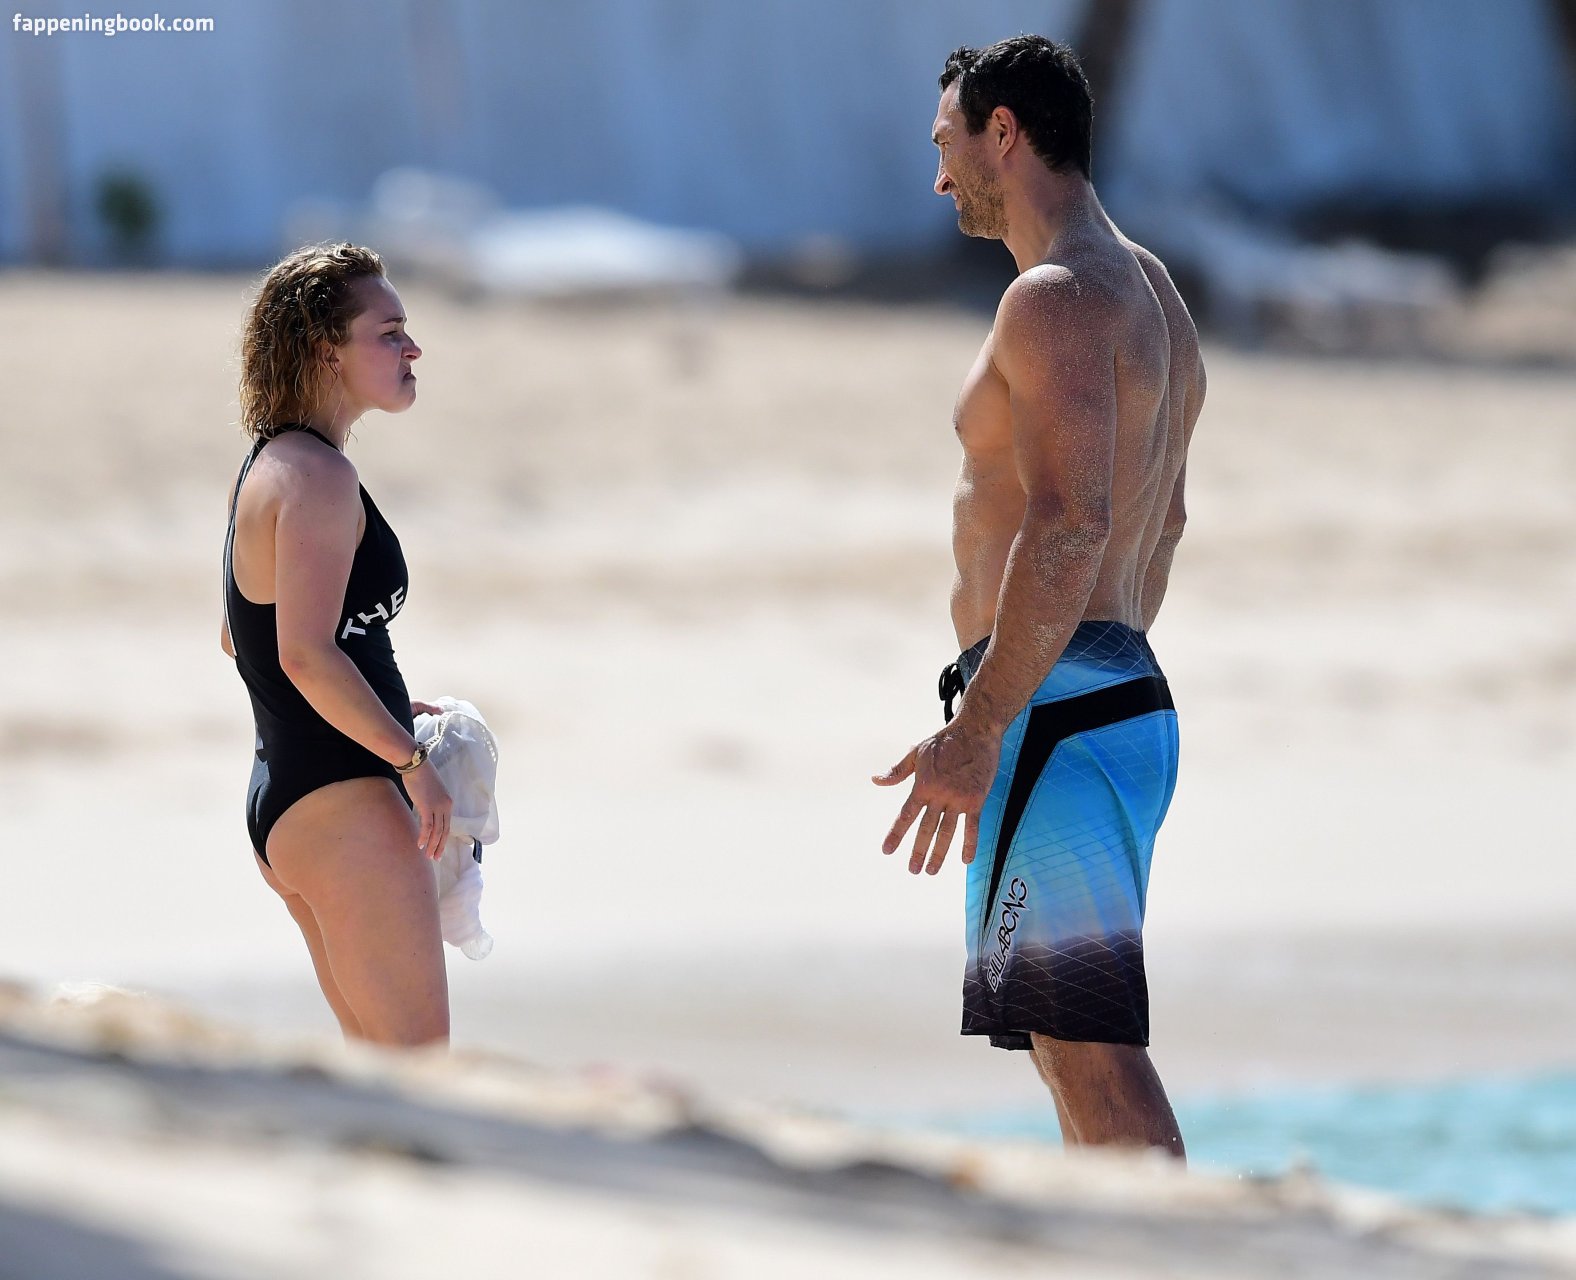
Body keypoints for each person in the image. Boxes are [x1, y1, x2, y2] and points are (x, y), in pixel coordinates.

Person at [874, 36, 1204, 1157]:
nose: (939, 179)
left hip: (1052, 710)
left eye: (947, 144)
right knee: (1064, 1037)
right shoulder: (1151, 292)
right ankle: (1124, 1236)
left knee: (1083, 1041)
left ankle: (1175, 1239)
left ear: (1003, 133)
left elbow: (1072, 523)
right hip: (1100, 696)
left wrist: (983, 726)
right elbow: (1163, 521)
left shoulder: (1053, 299)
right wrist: (1084, 682)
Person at [221, 243, 451, 1047]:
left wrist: (381, 701)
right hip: (345, 804)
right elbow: (304, 655)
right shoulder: (319, 479)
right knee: (421, 1075)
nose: (412, 349)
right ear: (327, 352)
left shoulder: (274, 463)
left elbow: (240, 637)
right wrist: (410, 762)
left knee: (377, 1079)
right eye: (389, 333)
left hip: (289, 798)